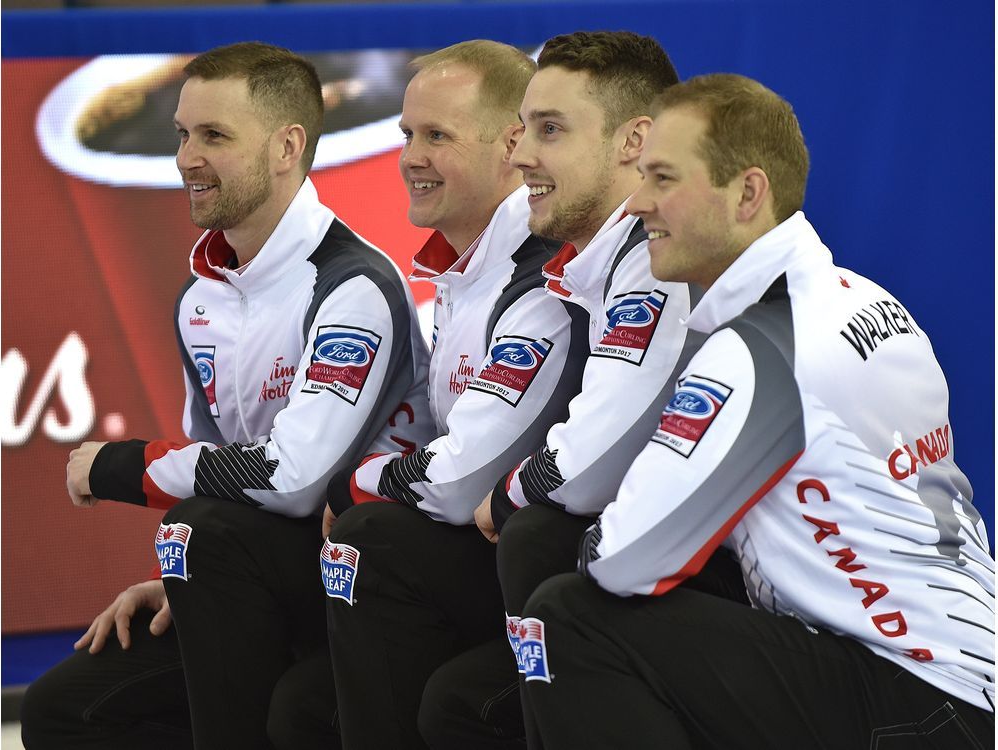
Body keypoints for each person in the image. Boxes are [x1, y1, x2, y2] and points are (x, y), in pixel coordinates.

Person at [519, 73, 996, 749]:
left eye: (663, 179)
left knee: (570, 617)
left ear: (747, 193)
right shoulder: (864, 298)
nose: (637, 205)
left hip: (914, 695)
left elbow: (623, 560)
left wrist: (597, 537)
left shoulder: (759, 347)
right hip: (959, 676)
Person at [21, 41, 432, 750]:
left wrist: (121, 466)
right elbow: (216, 466)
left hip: (368, 586)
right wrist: (177, 579)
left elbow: (295, 481)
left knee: (202, 532)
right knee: (62, 710)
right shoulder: (199, 298)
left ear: (286, 147)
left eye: (214, 136)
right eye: (182, 134)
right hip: (258, 573)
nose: (184, 158)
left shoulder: (352, 286)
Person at [418, 32, 740, 749]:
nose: (521, 155)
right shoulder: (595, 263)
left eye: (551, 130)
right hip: (673, 570)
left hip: (762, 601)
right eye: (524, 128)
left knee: (535, 535)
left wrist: (507, 493)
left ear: (635, 141)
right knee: (454, 703)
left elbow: (592, 467)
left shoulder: (660, 258)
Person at [321, 40, 591, 750]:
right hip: (486, 561)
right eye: (407, 134)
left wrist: (352, 485)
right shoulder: (460, 276)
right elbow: (422, 437)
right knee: (301, 707)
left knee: (366, 537)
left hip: (552, 576)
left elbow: (456, 480)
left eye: (436, 135)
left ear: (511, 146)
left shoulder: (539, 278)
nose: (410, 156)